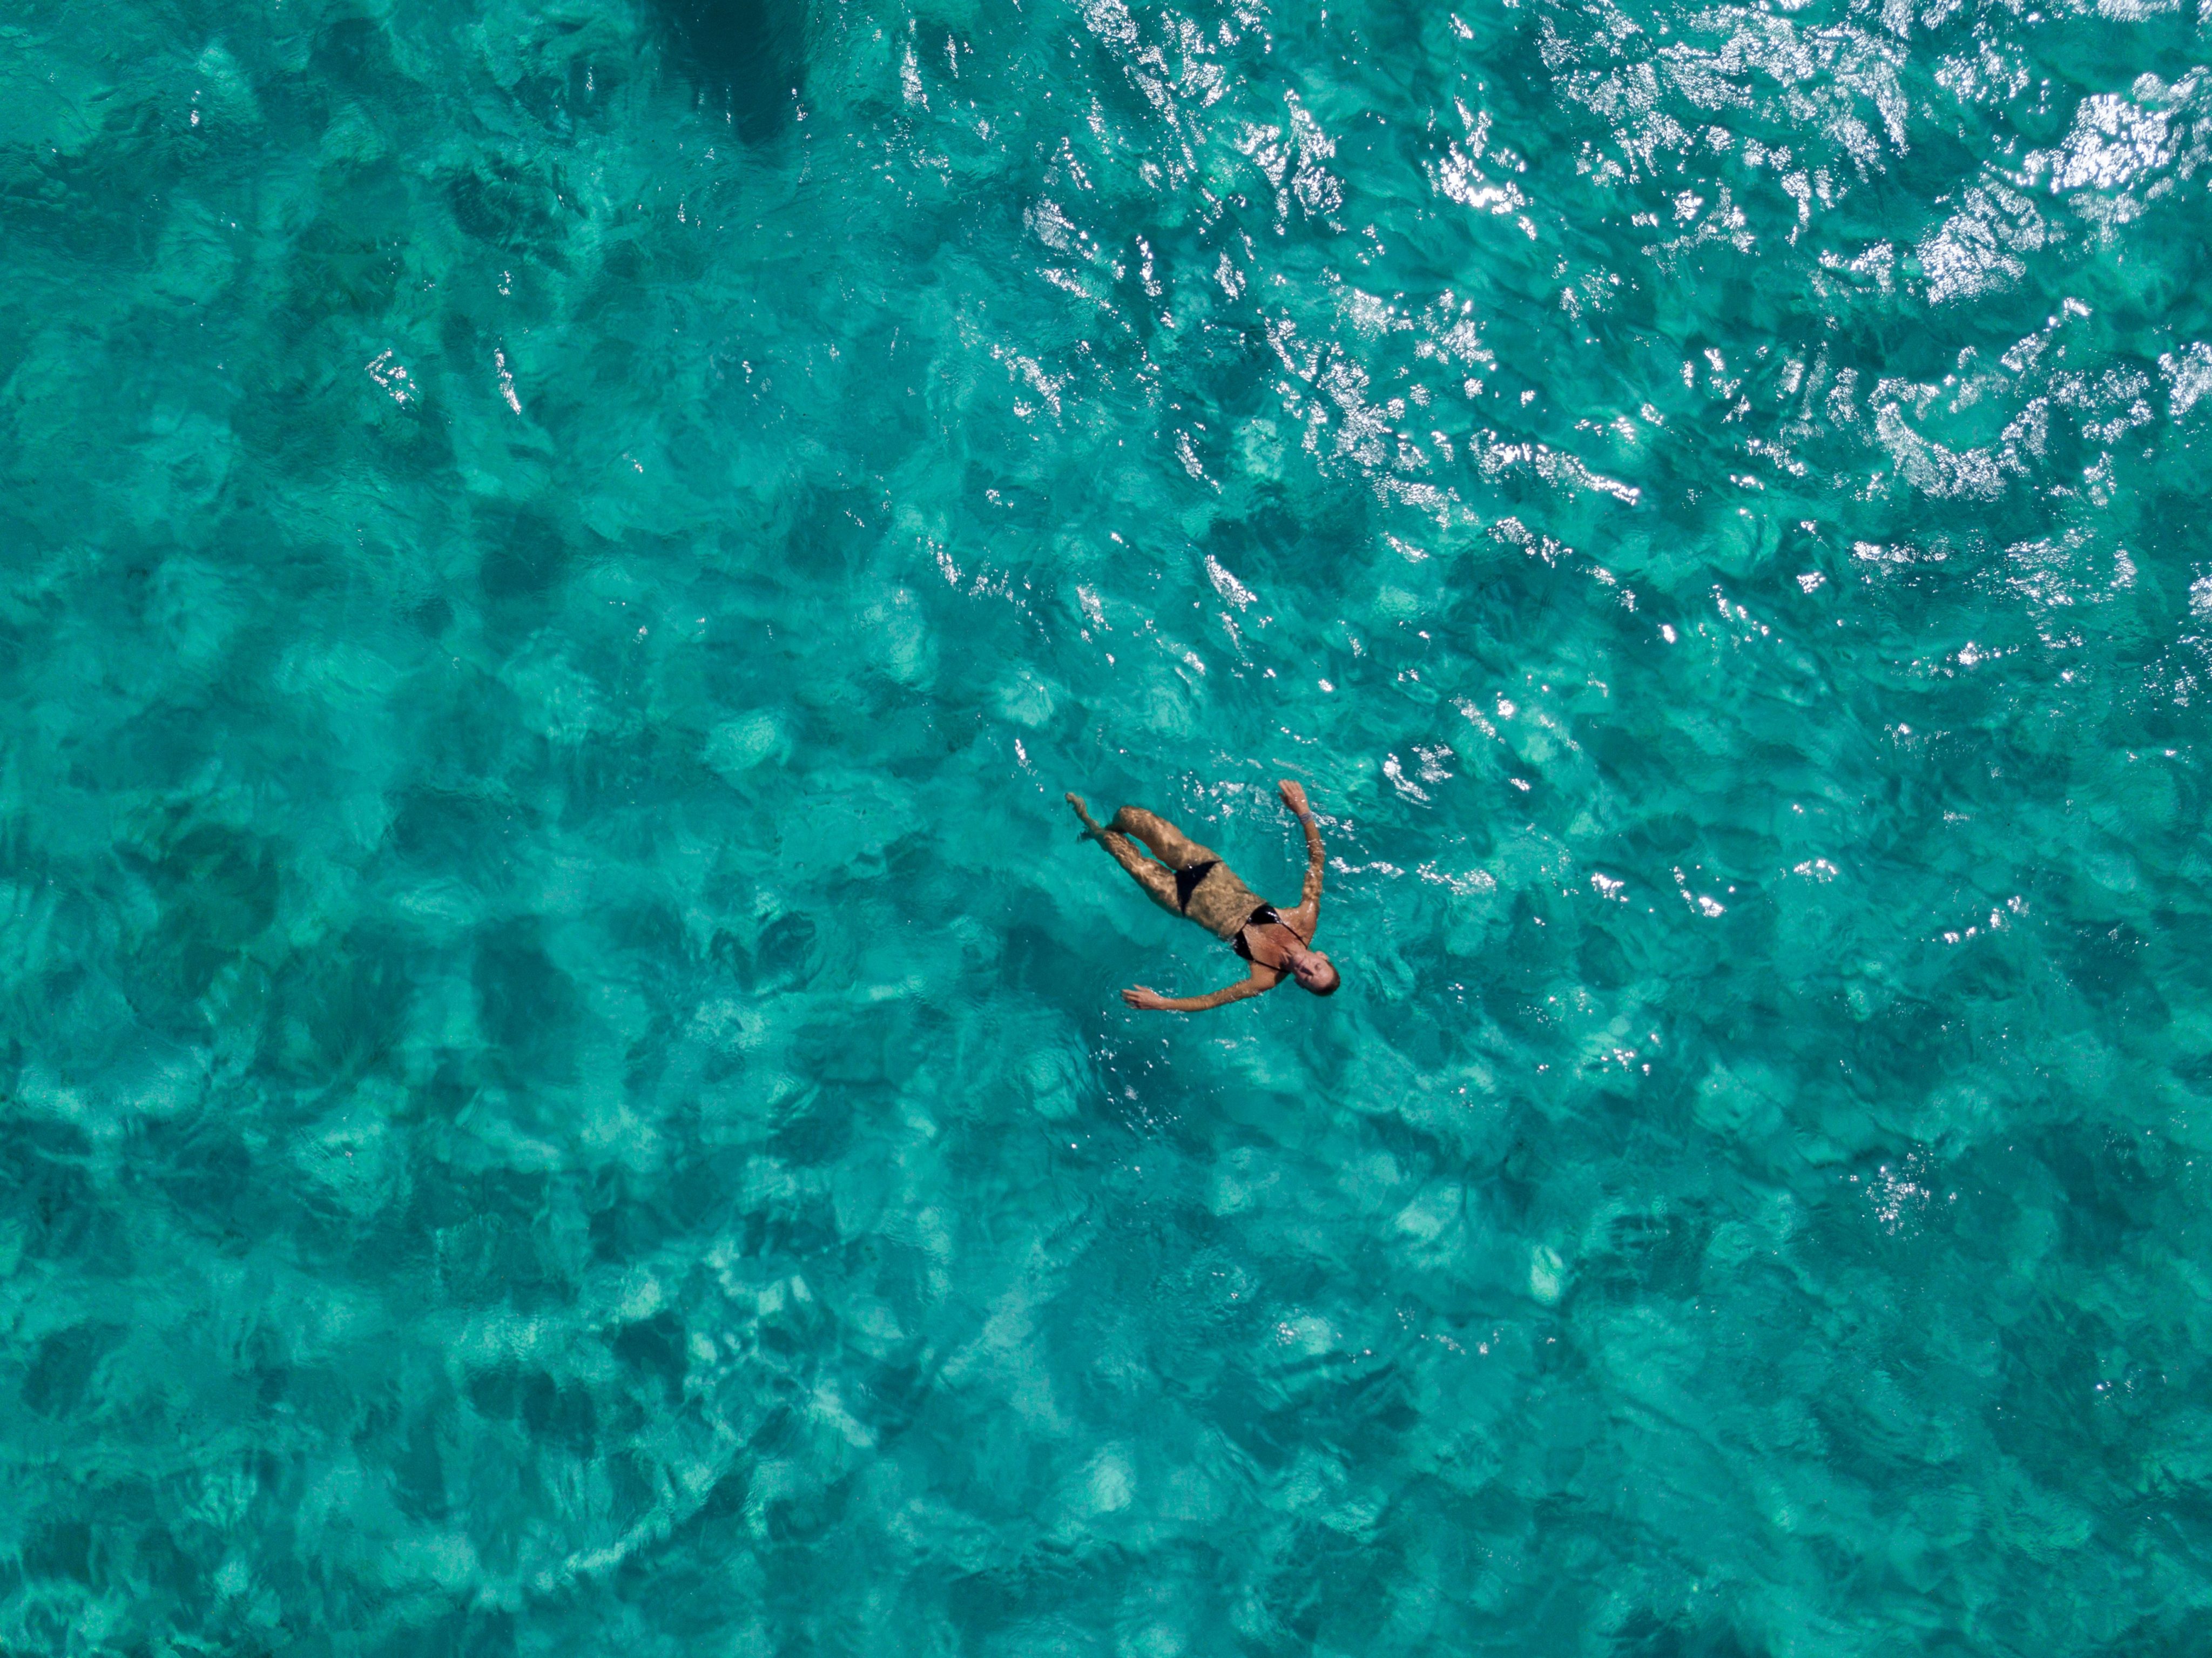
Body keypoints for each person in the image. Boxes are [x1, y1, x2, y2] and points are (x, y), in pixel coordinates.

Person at [1065, 779, 1341, 1012]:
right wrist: (1303, 811)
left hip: (1180, 900)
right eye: (1317, 967)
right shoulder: (1304, 920)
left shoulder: (1265, 978)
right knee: (1129, 815)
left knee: (1118, 849)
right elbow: (1317, 862)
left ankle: (1090, 824)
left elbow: (1212, 1000)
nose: (1308, 969)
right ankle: (1108, 829)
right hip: (1207, 869)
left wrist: (1161, 1002)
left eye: (1307, 977)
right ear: (1322, 956)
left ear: (1299, 983)